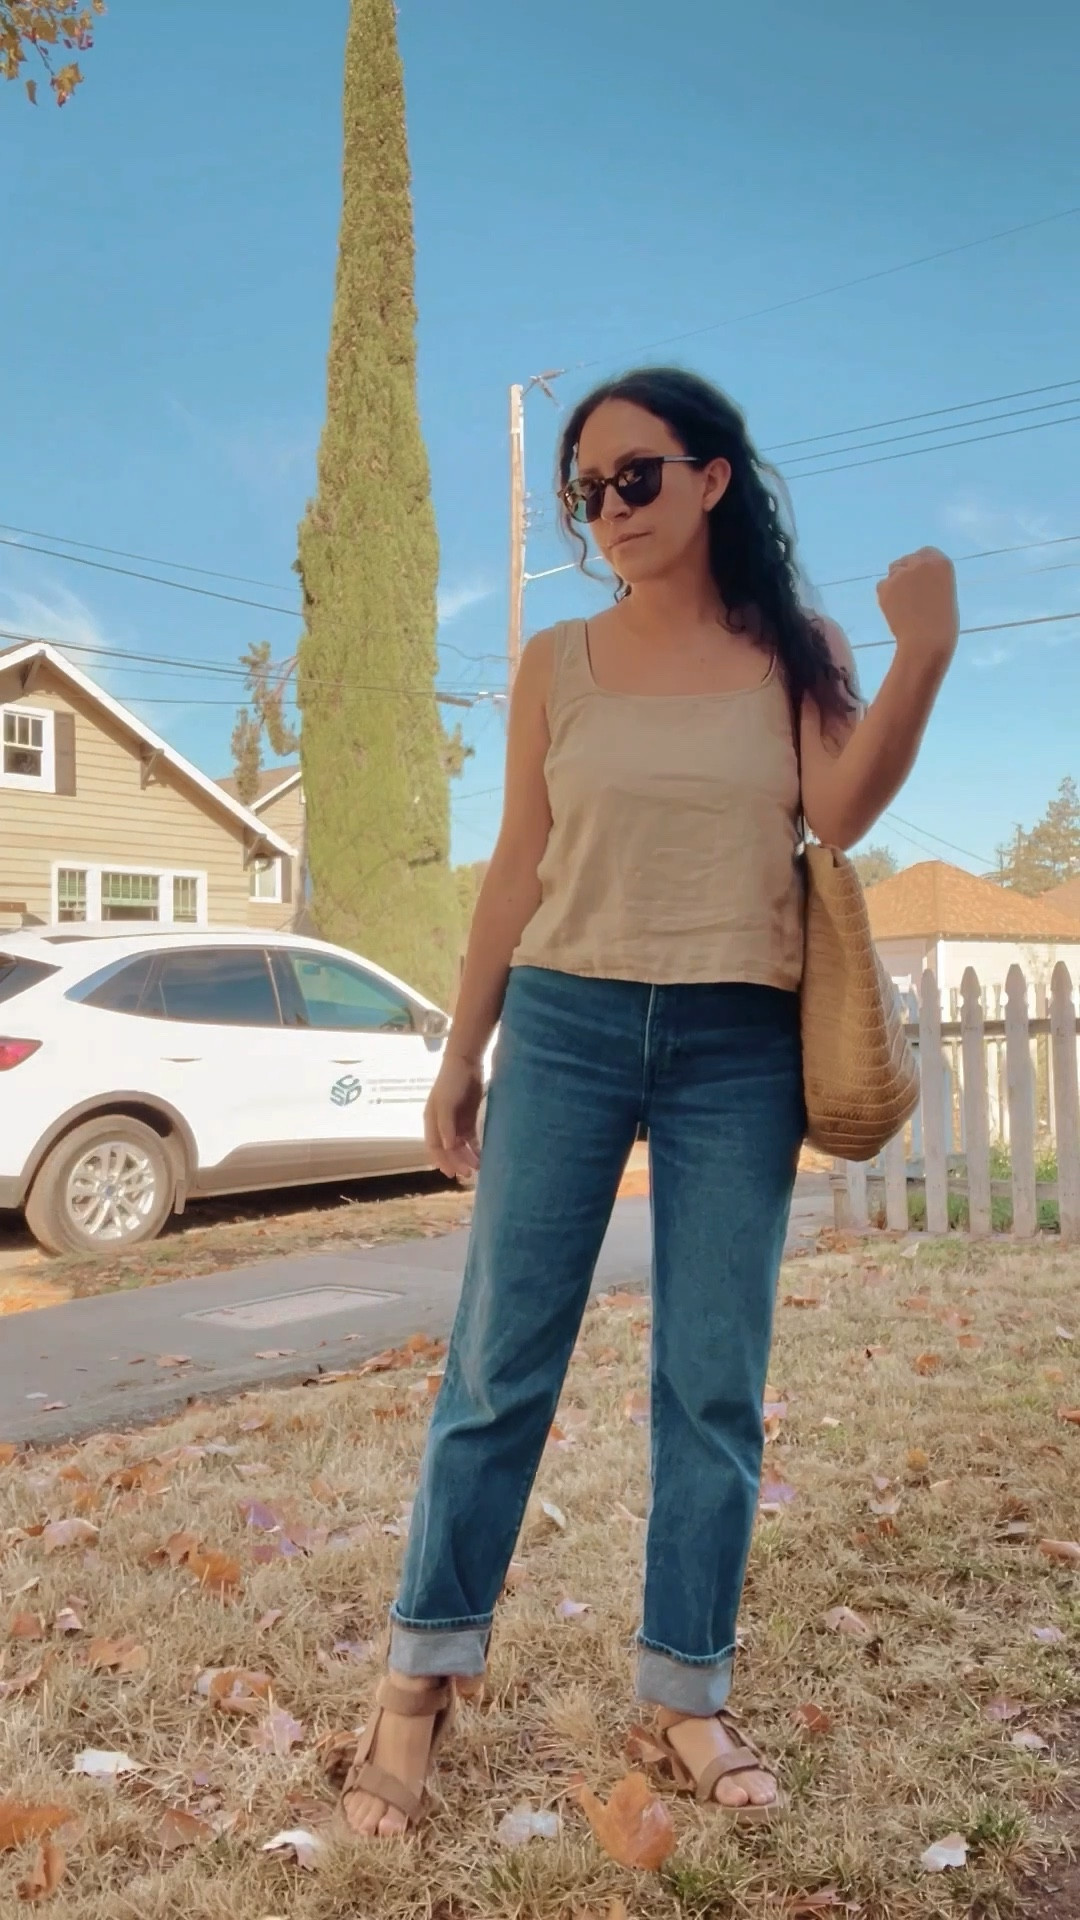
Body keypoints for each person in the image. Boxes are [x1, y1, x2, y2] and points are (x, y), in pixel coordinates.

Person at [341, 365, 958, 1837]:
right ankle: (419, 1681)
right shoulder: (557, 663)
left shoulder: (789, 648)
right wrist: (461, 1050)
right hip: (564, 1022)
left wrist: (920, 651)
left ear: (713, 480)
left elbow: (846, 809)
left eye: (637, 477)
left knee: (712, 1379)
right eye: (586, 490)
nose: (607, 509)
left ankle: (686, 1693)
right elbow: (514, 869)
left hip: (741, 1040)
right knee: (499, 1362)